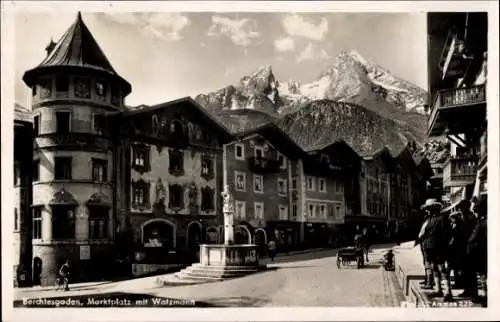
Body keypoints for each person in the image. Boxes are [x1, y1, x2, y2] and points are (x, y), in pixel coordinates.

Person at [417, 198, 453, 300]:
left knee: (441, 268)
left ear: (434, 208)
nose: (427, 210)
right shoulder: (429, 219)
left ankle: (447, 292)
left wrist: (444, 245)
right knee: (434, 268)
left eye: (429, 208)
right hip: (430, 247)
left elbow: (447, 233)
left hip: (439, 247)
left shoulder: (442, 218)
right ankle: (438, 289)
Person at [461, 195, 487, 299]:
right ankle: (468, 290)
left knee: (472, 272)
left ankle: (474, 293)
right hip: (466, 247)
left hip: (473, 249)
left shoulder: (472, 217)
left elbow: (474, 234)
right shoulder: (464, 217)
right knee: (466, 271)